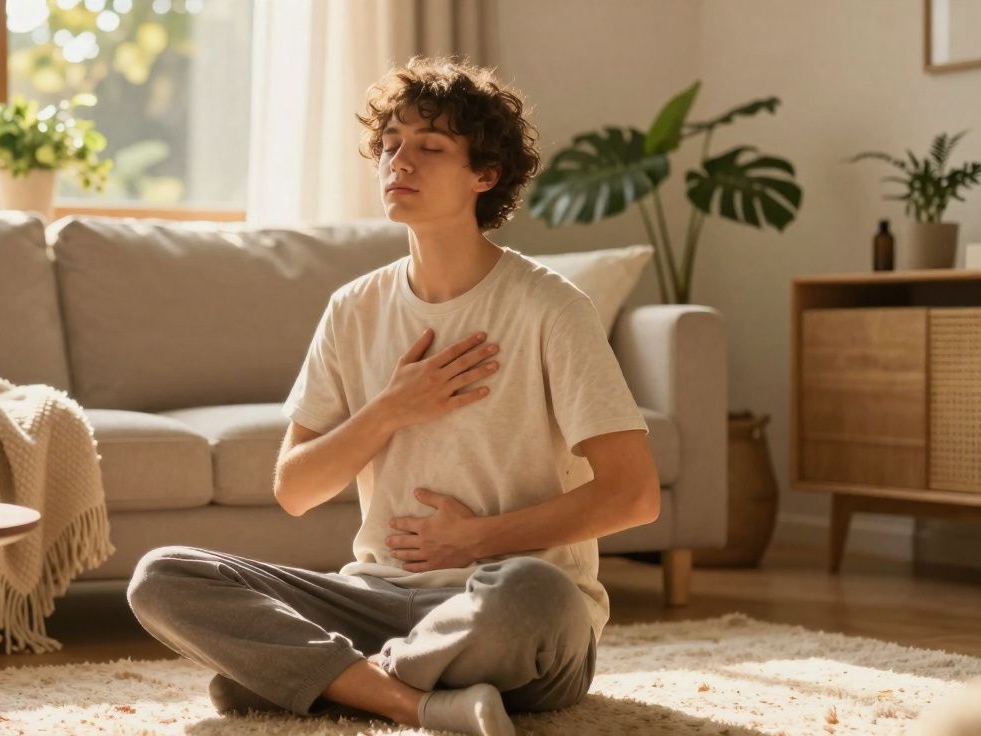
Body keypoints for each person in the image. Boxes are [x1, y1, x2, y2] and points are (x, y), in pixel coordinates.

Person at [126, 55, 661, 736]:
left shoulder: (550, 308)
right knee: (164, 576)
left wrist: (476, 541)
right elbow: (295, 488)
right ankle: (408, 700)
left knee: (532, 593)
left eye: (429, 147)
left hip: (510, 613)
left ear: (484, 175)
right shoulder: (353, 308)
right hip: (375, 598)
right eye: (389, 145)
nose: (398, 161)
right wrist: (390, 409)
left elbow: (633, 495)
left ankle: (324, 681)